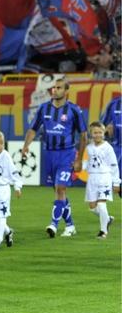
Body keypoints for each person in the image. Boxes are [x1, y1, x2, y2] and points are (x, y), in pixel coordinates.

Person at [21, 77, 87, 238]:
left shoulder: (74, 110)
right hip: (49, 154)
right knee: (58, 191)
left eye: (58, 88)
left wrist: (79, 159)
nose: (54, 90)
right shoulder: (44, 108)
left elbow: (84, 135)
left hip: (67, 154)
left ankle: (53, 224)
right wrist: (26, 145)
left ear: (66, 91)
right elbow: (33, 129)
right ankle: (70, 225)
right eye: (53, 87)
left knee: (60, 188)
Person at [83, 122, 120, 239]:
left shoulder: (108, 148)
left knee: (101, 204)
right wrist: (78, 167)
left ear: (104, 133)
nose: (98, 135)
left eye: (100, 132)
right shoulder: (88, 147)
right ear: (91, 134)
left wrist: (116, 182)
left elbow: (114, 166)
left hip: (105, 177)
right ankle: (107, 219)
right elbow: (86, 163)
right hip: (92, 178)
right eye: (95, 132)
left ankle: (103, 231)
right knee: (93, 207)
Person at [101, 94, 121, 169]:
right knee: (114, 179)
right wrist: (107, 132)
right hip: (116, 150)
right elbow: (101, 127)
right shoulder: (113, 104)